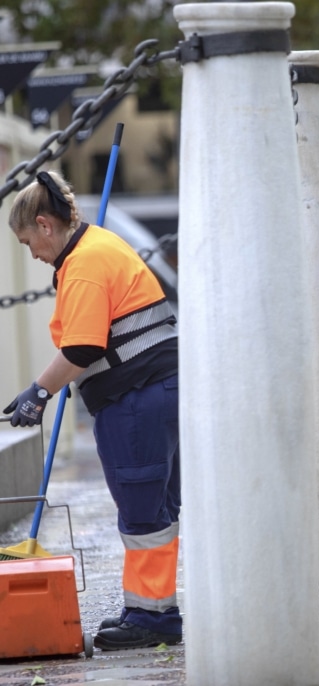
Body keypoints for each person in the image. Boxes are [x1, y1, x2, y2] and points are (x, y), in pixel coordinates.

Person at [3, 171, 182, 651]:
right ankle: (152, 609)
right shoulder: (100, 245)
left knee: (144, 509)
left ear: (45, 225)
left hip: (137, 397)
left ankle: (152, 618)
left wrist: (36, 393)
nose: (33, 254)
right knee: (156, 509)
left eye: (27, 243)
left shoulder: (83, 262)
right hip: (157, 390)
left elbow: (82, 346)